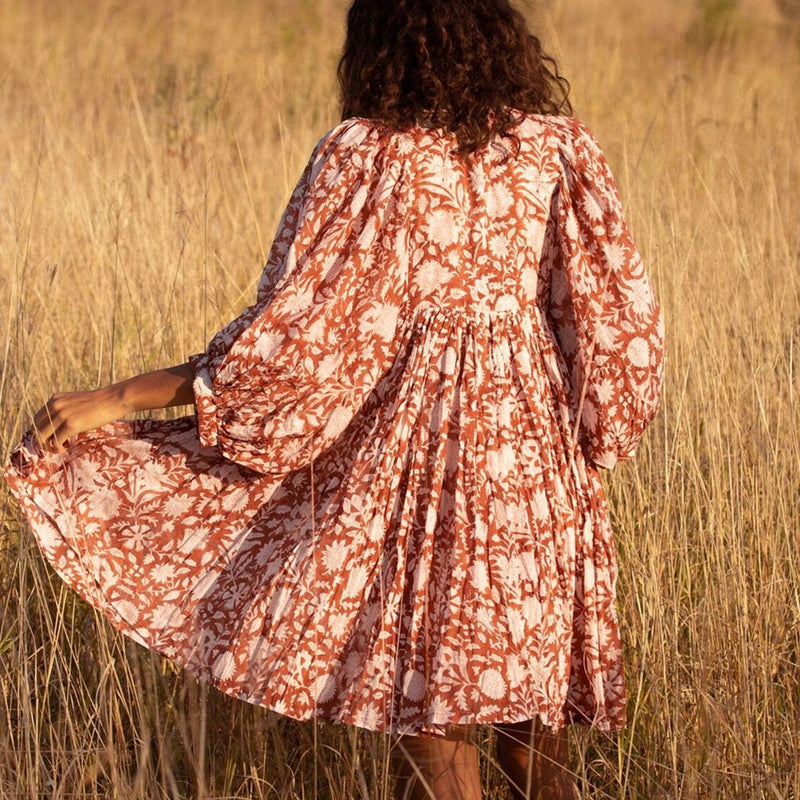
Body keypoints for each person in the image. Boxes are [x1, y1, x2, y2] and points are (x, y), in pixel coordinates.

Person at [3, 0, 665, 798]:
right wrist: (593, 439)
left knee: (437, 719)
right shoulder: (558, 150)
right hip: (538, 471)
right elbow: (614, 322)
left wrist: (119, 396)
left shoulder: (368, 155)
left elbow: (296, 343)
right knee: (539, 742)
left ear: (381, 35)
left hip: (429, 470)